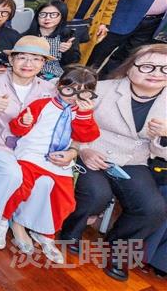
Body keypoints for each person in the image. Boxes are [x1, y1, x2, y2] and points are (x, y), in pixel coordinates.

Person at [60, 44, 167, 281]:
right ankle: (70, 232)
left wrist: (165, 136)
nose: (156, 73)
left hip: (133, 160)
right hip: (91, 151)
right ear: (130, 68)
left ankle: (116, 250)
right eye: (148, 66)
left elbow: (161, 153)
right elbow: (70, 122)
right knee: (96, 192)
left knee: (153, 208)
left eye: (164, 69)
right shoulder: (103, 88)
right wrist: (84, 150)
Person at [0, 36, 57, 251]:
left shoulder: (48, 89)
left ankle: (19, 223)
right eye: (22, 58)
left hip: (28, 148)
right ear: (12, 60)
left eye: (35, 59)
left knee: (46, 179)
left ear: (43, 64)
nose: (28, 64)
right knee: (11, 173)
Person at [2, 66, 100, 264]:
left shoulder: (82, 113)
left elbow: (86, 136)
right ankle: (5, 220)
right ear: (59, 86)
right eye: (70, 89)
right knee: (23, 186)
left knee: (66, 199)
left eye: (83, 92)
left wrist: (84, 115)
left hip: (58, 159)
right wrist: (24, 122)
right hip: (32, 154)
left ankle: (46, 233)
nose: (74, 97)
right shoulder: (43, 104)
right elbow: (17, 128)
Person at [87, 0, 165, 75]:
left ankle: (106, 84)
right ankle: (81, 80)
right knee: (98, 53)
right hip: (124, 19)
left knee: (126, 59)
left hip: (153, 24)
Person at [23, 1, 80, 79]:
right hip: (30, 73)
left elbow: (73, 62)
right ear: (37, 17)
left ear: (62, 16)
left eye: (53, 15)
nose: (47, 18)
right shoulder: (27, 36)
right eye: (43, 14)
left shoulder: (68, 36)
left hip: (58, 76)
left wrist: (68, 51)